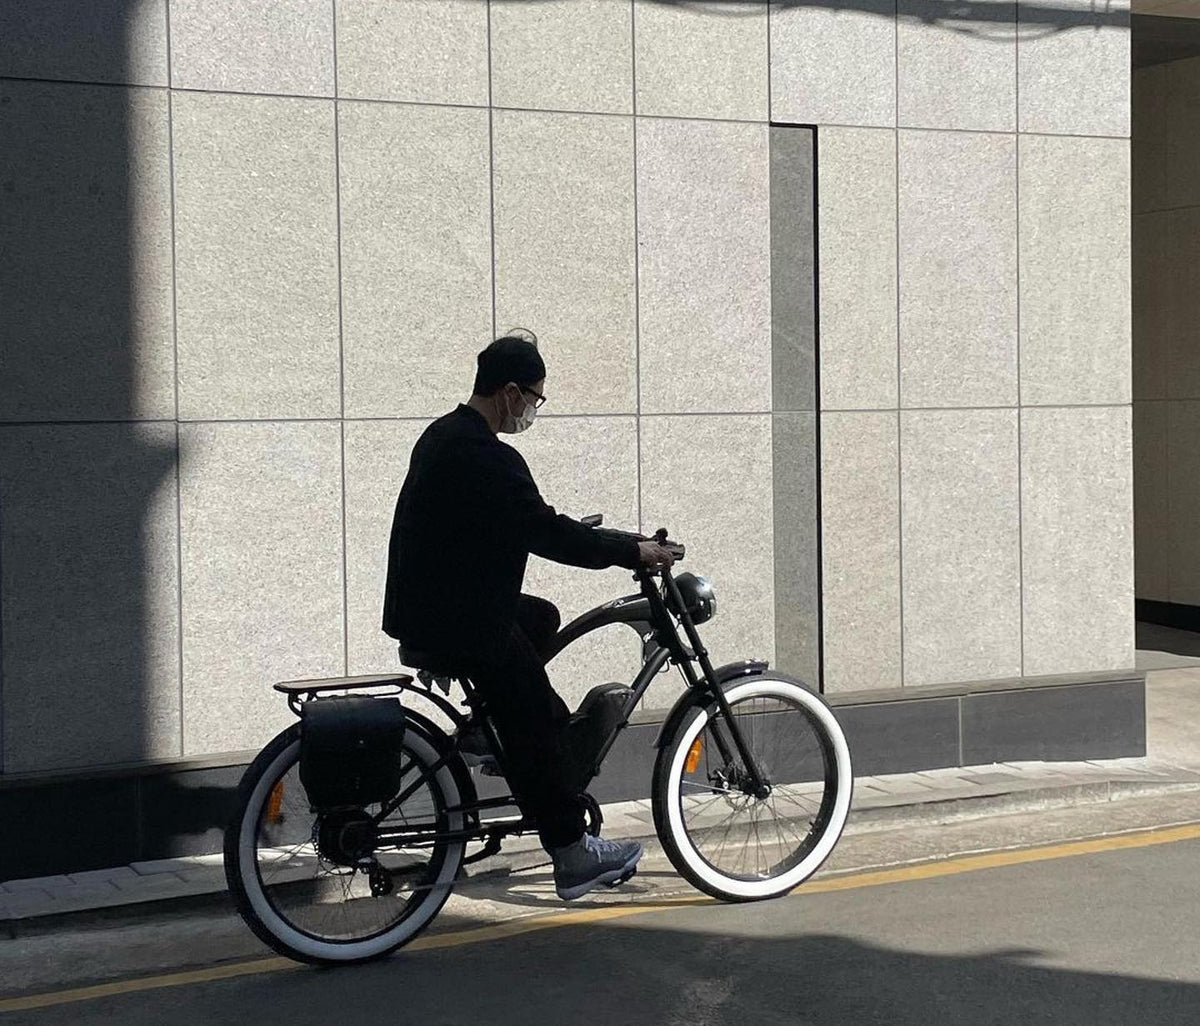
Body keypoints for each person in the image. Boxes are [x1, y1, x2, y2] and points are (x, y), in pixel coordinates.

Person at [382, 331, 676, 900]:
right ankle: (571, 852)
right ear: (511, 392)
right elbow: (542, 531)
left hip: (436, 606)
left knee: (540, 617)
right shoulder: (486, 454)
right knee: (535, 720)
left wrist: (598, 538)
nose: (532, 412)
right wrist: (629, 551)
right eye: (534, 400)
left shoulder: (446, 434)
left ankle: (486, 731)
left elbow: (504, 523)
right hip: (459, 618)